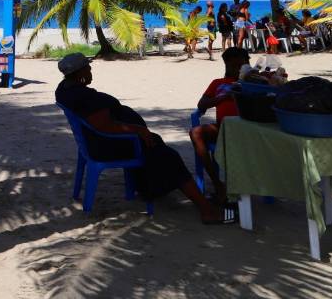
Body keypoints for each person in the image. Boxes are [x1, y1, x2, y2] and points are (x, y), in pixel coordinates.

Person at [56, 53, 235, 224]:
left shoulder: (64, 90)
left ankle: (150, 187)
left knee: (157, 144)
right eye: (87, 68)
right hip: (110, 144)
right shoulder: (84, 97)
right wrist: (138, 130)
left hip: (95, 142)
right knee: (169, 157)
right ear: (79, 73)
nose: (90, 71)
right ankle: (207, 210)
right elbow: (104, 126)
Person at [189, 47, 250, 203]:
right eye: (234, 66)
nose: (237, 70)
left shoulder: (253, 82)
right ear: (227, 65)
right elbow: (202, 104)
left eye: (241, 66)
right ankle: (218, 184)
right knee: (195, 132)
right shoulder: (218, 83)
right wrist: (223, 97)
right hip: (223, 129)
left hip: (248, 130)